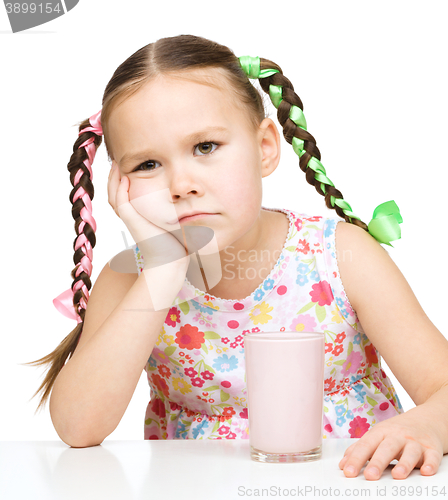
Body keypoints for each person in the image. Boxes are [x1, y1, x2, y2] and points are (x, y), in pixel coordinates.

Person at [24, 34, 448, 481]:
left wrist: (427, 424)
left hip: (343, 484)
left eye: (205, 147)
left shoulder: (340, 255)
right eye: (147, 164)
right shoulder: (130, 279)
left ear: (265, 146)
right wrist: (164, 270)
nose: (181, 184)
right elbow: (78, 428)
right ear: (119, 184)